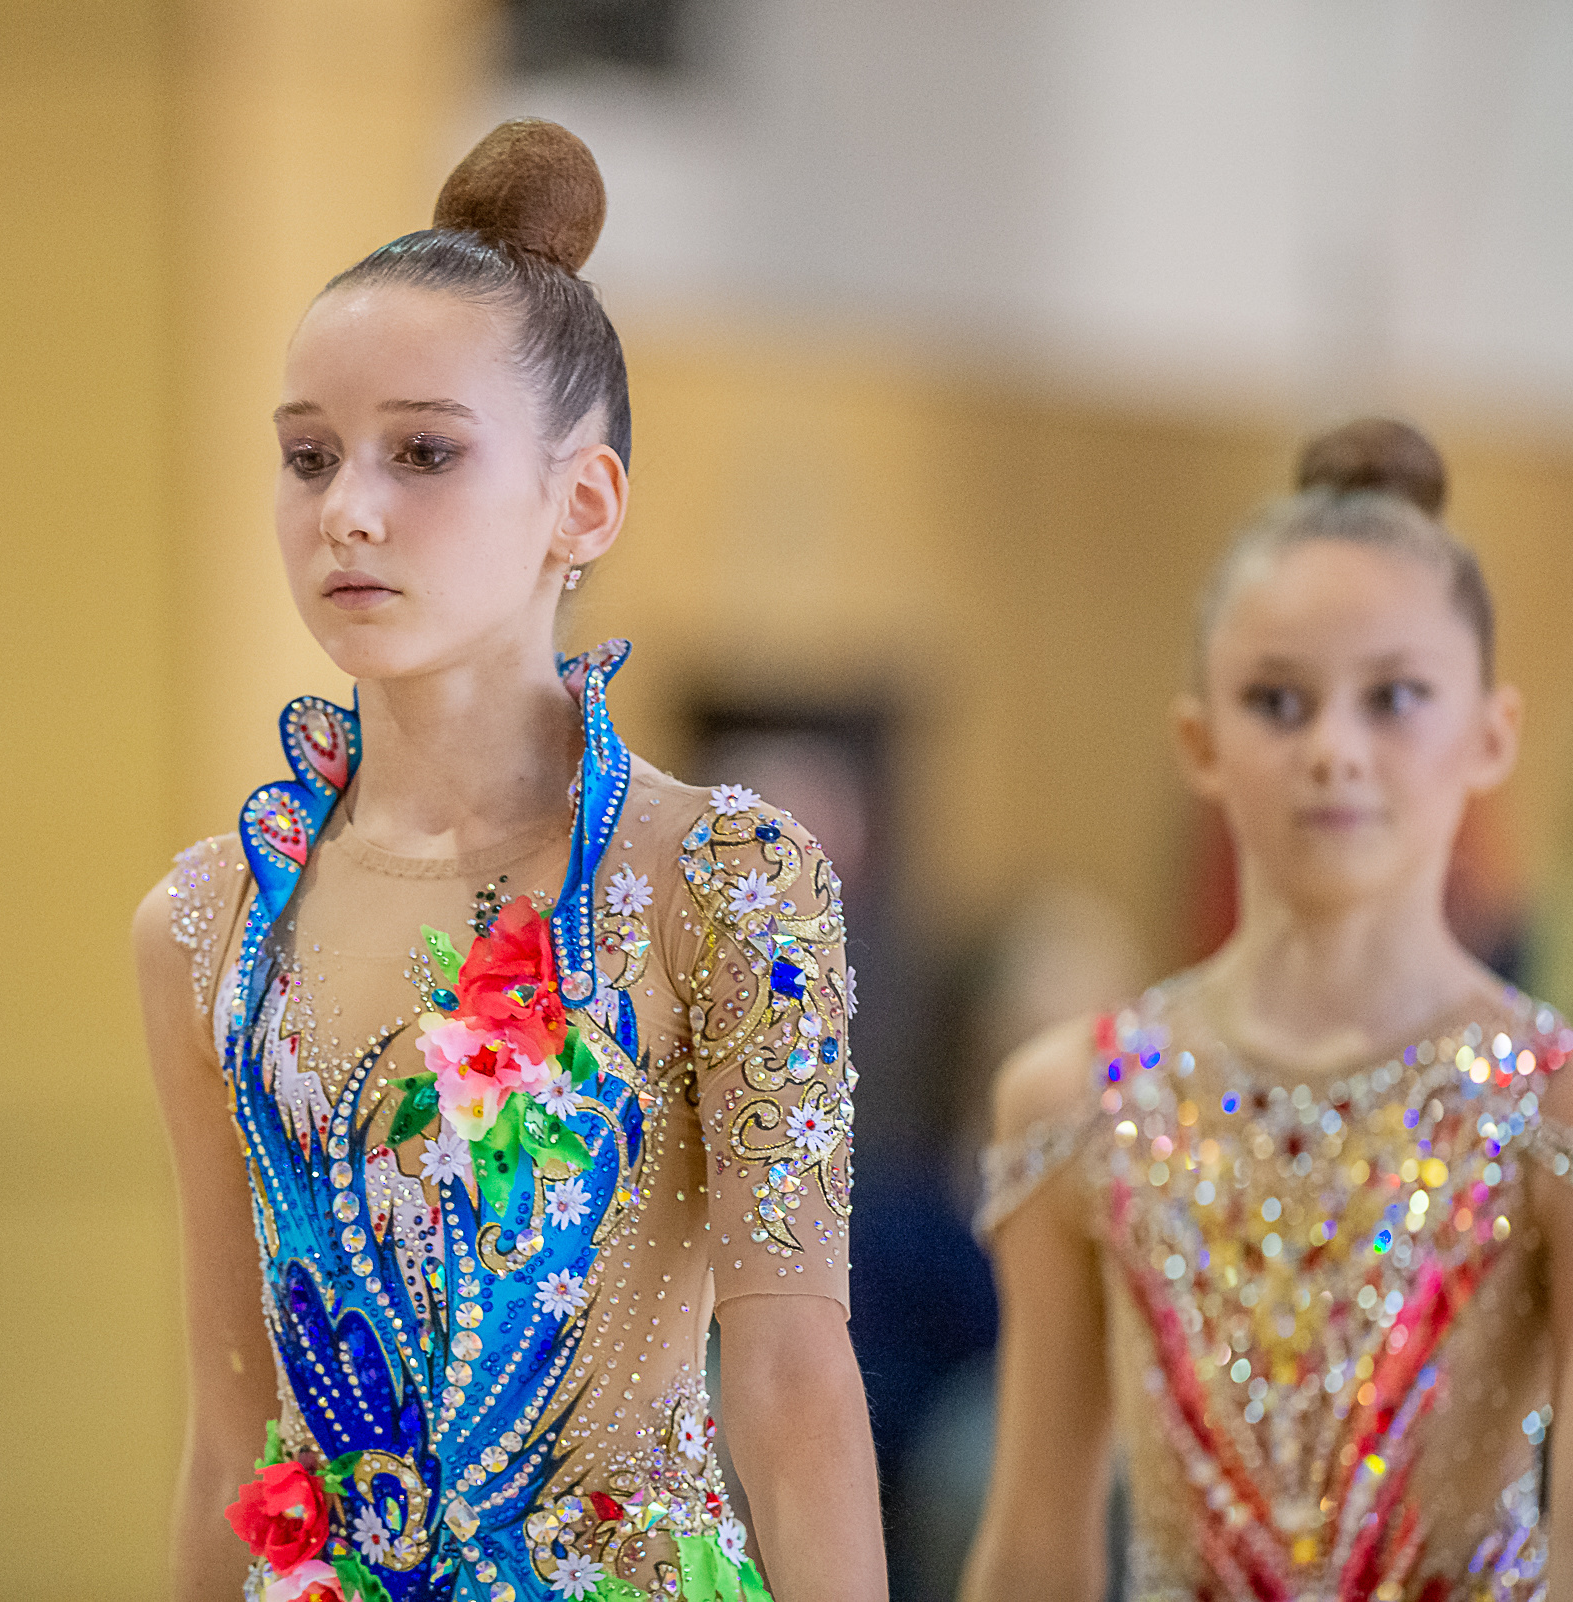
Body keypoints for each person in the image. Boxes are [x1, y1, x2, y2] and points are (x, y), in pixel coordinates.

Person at [136, 119, 883, 1602]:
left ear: (581, 502)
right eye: (307, 456)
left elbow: (793, 1388)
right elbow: (233, 1440)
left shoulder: (723, 877)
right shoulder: (205, 921)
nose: (348, 505)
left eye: (423, 450)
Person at [961, 419, 1573, 1602]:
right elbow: (1036, 1545)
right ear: (1200, 740)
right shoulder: (1075, 1101)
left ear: (1489, 734)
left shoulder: (1548, 1102)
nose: (1335, 749)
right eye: (1279, 702)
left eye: (1395, 697)